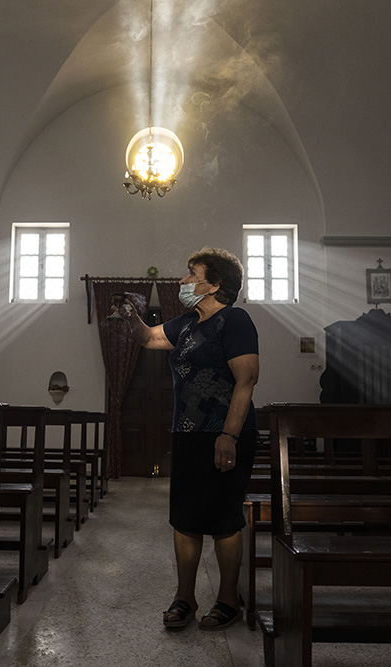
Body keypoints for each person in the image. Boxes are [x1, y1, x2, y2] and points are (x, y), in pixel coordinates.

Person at [118, 247, 260, 631]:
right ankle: (185, 597)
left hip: (227, 432)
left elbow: (246, 380)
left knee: (223, 520)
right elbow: (148, 340)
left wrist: (228, 435)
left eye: (191, 274)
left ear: (214, 284)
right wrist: (131, 316)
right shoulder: (185, 323)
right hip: (188, 432)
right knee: (185, 519)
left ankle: (228, 599)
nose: (182, 281)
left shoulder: (235, 321)